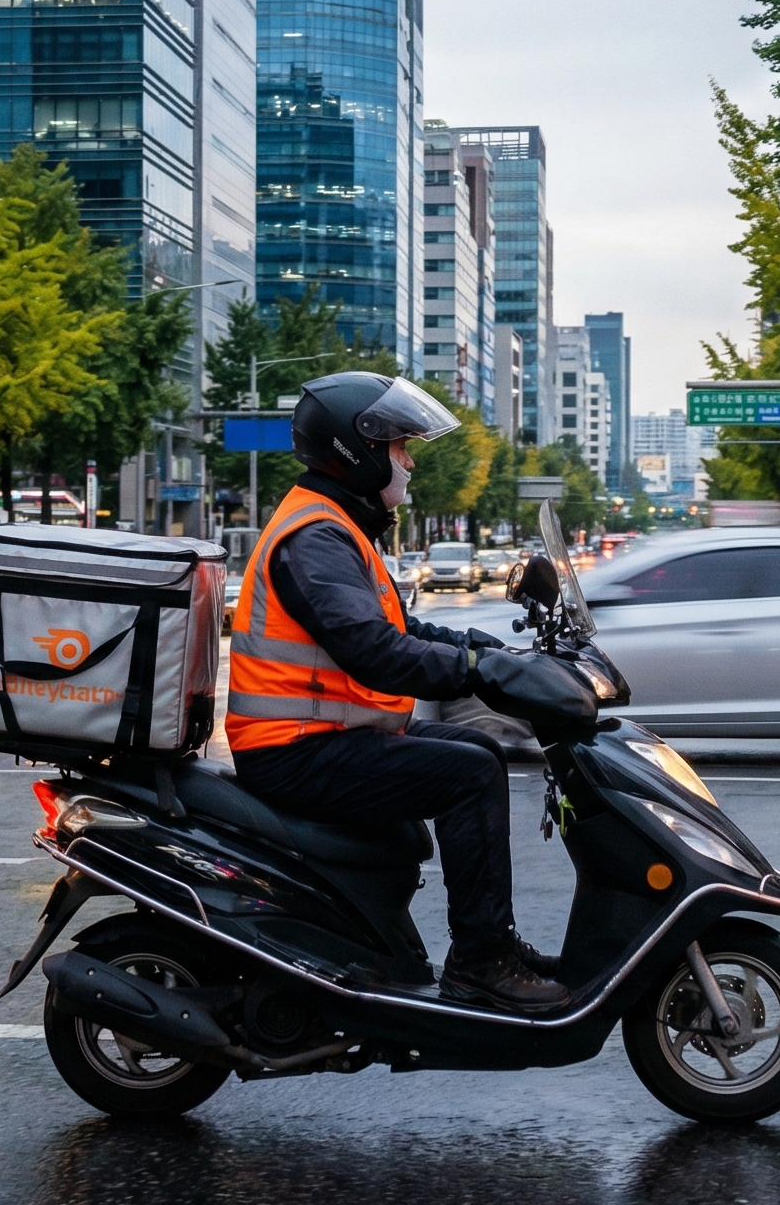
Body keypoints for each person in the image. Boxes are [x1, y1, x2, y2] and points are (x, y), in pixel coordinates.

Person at [226, 371, 566, 1010]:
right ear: (358, 451)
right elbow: (374, 652)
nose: (408, 462)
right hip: (295, 748)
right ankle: (480, 963)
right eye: (400, 447)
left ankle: (495, 941)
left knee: (482, 754)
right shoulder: (316, 536)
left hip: (329, 738)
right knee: (467, 772)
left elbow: (403, 628)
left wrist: (494, 652)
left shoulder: (337, 525)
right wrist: (479, 672)